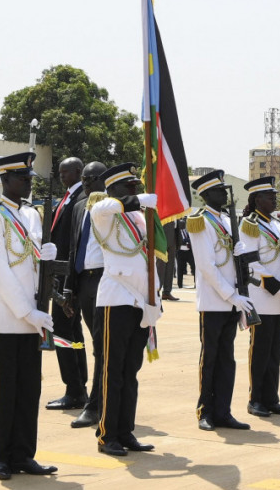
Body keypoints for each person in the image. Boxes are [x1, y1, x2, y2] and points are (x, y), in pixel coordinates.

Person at [0, 152, 58, 480]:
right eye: (22, 179)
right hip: (7, 317)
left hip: (34, 315)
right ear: (5, 180)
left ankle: (24, 453)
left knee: (29, 390)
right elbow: (0, 271)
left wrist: (47, 259)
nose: (28, 183)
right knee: (4, 390)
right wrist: (28, 312)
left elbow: (33, 264)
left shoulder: (32, 216)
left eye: (29, 179)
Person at [89, 162, 159, 457]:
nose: (135, 191)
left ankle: (125, 430)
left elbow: (147, 260)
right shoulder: (103, 212)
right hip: (115, 300)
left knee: (131, 371)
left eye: (136, 187)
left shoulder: (140, 219)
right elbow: (103, 207)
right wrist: (137, 201)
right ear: (115, 189)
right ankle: (107, 435)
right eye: (129, 187)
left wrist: (154, 302)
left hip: (139, 302)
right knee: (112, 371)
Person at [187, 170, 252, 431]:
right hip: (214, 301)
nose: (225, 194)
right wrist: (230, 294)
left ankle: (224, 411)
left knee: (227, 358)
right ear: (206, 195)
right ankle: (205, 410)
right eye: (220, 190)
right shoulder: (200, 221)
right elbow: (206, 266)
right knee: (210, 357)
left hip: (231, 299)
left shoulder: (226, 220)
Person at [240, 176, 280, 418]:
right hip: (262, 295)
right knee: (260, 350)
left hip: (279, 296)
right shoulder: (249, 224)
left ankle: (271, 398)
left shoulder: (277, 225)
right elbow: (251, 264)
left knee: (275, 350)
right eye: (269, 196)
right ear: (257, 199)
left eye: (275, 195)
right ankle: (255, 399)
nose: (274, 199)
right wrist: (277, 287)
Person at [63, 161, 107, 429]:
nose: (87, 184)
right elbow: (73, 250)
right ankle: (98, 401)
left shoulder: (114, 207)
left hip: (105, 281)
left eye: (91, 179)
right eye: (85, 179)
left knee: (102, 346)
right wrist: (69, 289)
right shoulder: (80, 207)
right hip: (84, 283)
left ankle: (96, 404)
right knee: (96, 344)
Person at [44, 157, 90, 412]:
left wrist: (67, 285)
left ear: (78, 172)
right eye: (60, 173)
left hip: (66, 277)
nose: (62, 176)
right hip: (62, 275)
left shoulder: (79, 199)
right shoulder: (68, 197)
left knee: (63, 331)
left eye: (66, 172)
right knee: (73, 333)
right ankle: (79, 385)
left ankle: (74, 389)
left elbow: (72, 243)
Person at [175, 218, 194, 289]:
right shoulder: (178, 232)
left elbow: (191, 238)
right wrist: (186, 241)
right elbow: (180, 241)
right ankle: (180, 285)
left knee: (194, 267)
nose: (183, 224)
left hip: (189, 252)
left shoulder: (187, 231)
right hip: (180, 252)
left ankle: (196, 284)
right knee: (180, 269)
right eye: (181, 223)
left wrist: (187, 240)